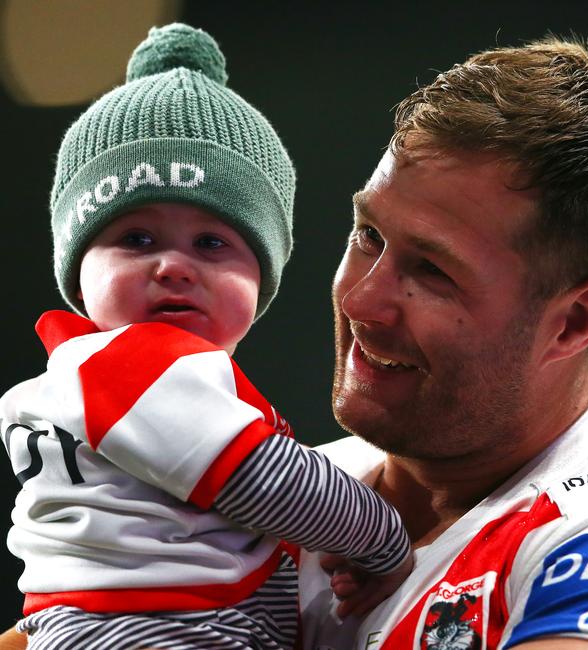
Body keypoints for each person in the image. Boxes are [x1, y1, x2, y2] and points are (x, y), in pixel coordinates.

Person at [0, 23, 412, 650]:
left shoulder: (84, 378)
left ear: (262, 276)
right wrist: (383, 542)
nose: (173, 265)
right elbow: (265, 480)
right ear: (78, 278)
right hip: (159, 627)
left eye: (212, 243)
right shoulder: (130, 366)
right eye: (136, 239)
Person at [298, 38, 588, 649]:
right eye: (368, 236)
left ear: (573, 321)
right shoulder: (261, 497)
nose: (361, 302)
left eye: (433, 271)